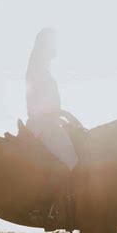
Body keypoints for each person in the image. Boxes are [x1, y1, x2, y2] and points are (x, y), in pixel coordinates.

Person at [25, 28, 80, 170]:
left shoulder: (40, 70)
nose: (56, 47)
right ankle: (68, 193)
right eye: (53, 43)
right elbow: (39, 108)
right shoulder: (39, 71)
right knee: (73, 162)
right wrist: (61, 115)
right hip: (45, 127)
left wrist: (61, 117)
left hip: (48, 124)